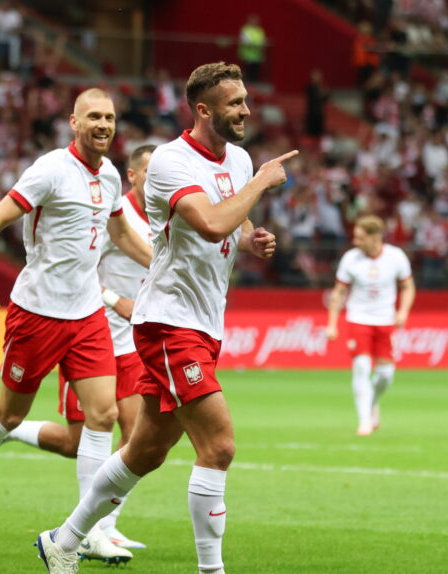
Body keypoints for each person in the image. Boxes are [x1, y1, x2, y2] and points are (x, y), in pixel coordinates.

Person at [33, 61, 296, 574]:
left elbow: (230, 225)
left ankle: (63, 540)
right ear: (203, 110)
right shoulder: (173, 162)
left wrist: (253, 237)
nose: (246, 109)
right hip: (169, 322)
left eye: (245, 100)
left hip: (203, 320)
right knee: (218, 446)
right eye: (235, 103)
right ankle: (211, 570)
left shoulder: (238, 159)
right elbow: (214, 221)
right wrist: (262, 184)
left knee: (145, 451)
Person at [0, 88, 152, 563]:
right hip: (36, 313)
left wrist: (163, 263)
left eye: (110, 117)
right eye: (94, 116)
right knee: (8, 415)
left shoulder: (112, 176)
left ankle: (87, 531)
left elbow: (120, 233)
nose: (104, 124)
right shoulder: (51, 169)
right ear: (74, 122)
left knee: (104, 416)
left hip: (86, 315)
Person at [3, 145, 156, 550]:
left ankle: (105, 525)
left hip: (135, 344)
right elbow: (84, 266)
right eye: (150, 171)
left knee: (134, 435)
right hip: (93, 332)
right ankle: (12, 430)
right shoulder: (111, 209)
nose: (157, 179)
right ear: (134, 175)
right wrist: (112, 300)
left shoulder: (160, 217)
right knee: (79, 440)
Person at [326, 214, 415, 436]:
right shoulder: (350, 259)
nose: (355, 241)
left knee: (386, 374)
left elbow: (408, 286)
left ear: (376, 238)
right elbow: (339, 292)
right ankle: (365, 420)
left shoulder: (396, 257)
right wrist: (332, 323)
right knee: (362, 367)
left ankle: (372, 402)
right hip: (359, 319)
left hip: (385, 320)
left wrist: (403, 311)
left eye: (360, 237)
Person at [237, 14, 266, 83]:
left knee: (255, 72)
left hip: (257, 55)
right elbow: (245, 41)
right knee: (247, 72)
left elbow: (263, 41)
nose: (255, 22)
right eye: (253, 21)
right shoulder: (246, 29)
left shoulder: (260, 30)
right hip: (247, 55)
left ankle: (254, 83)